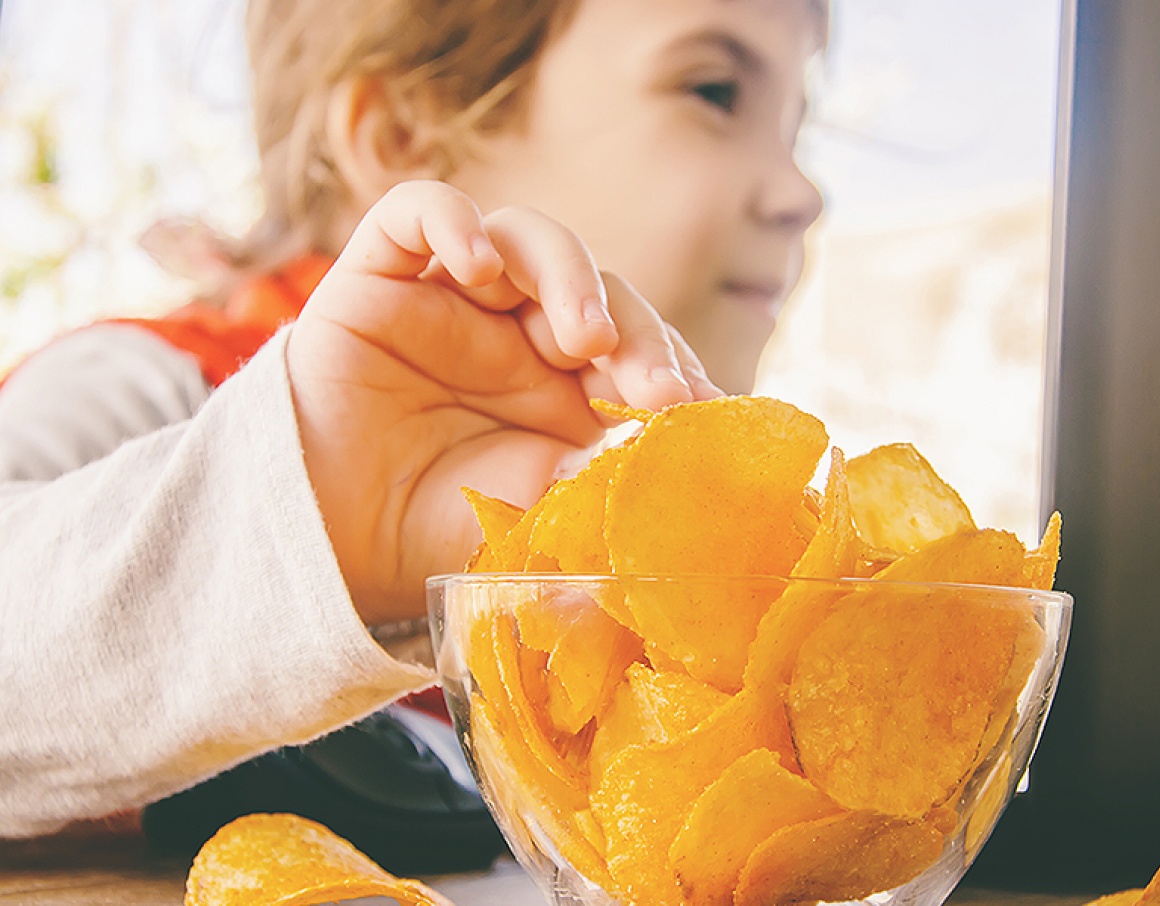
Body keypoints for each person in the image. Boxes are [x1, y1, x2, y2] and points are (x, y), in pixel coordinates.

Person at [0, 0, 825, 837]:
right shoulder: (146, 378)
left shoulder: (614, 505)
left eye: (800, 120)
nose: (804, 190)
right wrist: (306, 511)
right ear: (404, 136)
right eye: (715, 91)